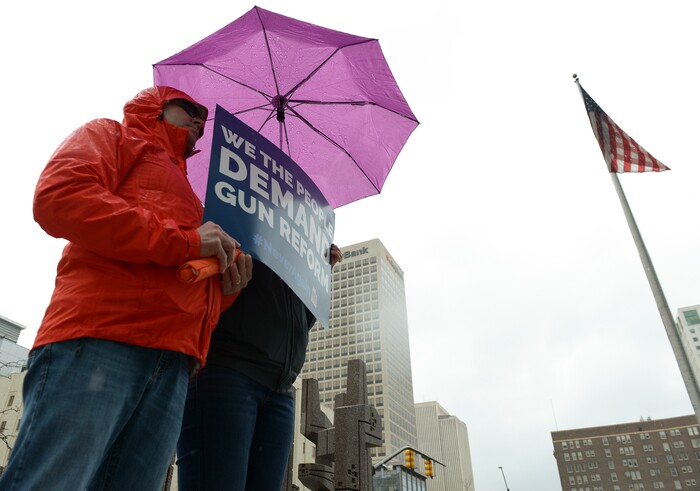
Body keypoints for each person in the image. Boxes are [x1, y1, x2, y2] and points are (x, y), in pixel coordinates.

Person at [0, 86, 253, 491]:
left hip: (173, 365)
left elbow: (188, 284)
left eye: (204, 121)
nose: (199, 121)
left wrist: (228, 285)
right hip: (101, 339)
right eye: (189, 108)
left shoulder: (197, 200)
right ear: (156, 104)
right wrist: (187, 242)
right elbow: (59, 197)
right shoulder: (111, 135)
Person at [176, 245, 343, 491]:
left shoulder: (297, 251)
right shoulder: (246, 216)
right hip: (227, 371)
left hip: (281, 391)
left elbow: (299, 325)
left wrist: (319, 272)